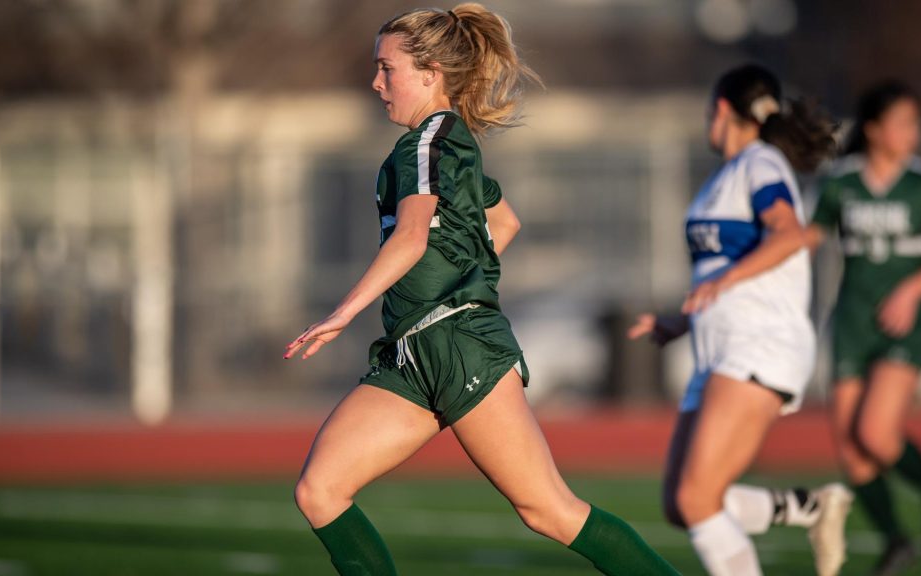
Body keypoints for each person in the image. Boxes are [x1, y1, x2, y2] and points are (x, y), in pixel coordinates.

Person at [284, 4, 681, 575]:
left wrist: (345, 312)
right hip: (413, 355)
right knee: (320, 490)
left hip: (459, 345)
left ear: (430, 74)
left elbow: (412, 237)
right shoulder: (445, 144)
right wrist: (462, 268)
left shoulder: (427, 143)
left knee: (549, 510)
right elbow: (504, 223)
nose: (376, 82)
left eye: (386, 68)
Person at [628, 64, 852, 576]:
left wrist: (721, 284)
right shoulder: (723, 178)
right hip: (720, 349)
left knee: (697, 499)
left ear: (721, 107)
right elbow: (722, 271)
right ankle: (807, 508)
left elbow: (789, 234)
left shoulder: (761, 164)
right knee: (679, 502)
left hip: (758, 343)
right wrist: (678, 322)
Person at [804, 80, 921, 575]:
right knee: (851, 453)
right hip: (852, 319)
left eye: (914, 124)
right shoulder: (841, 183)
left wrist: (910, 291)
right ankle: (897, 540)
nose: (911, 133)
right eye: (902, 123)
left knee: (875, 432)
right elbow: (808, 236)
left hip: (903, 325)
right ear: (873, 129)